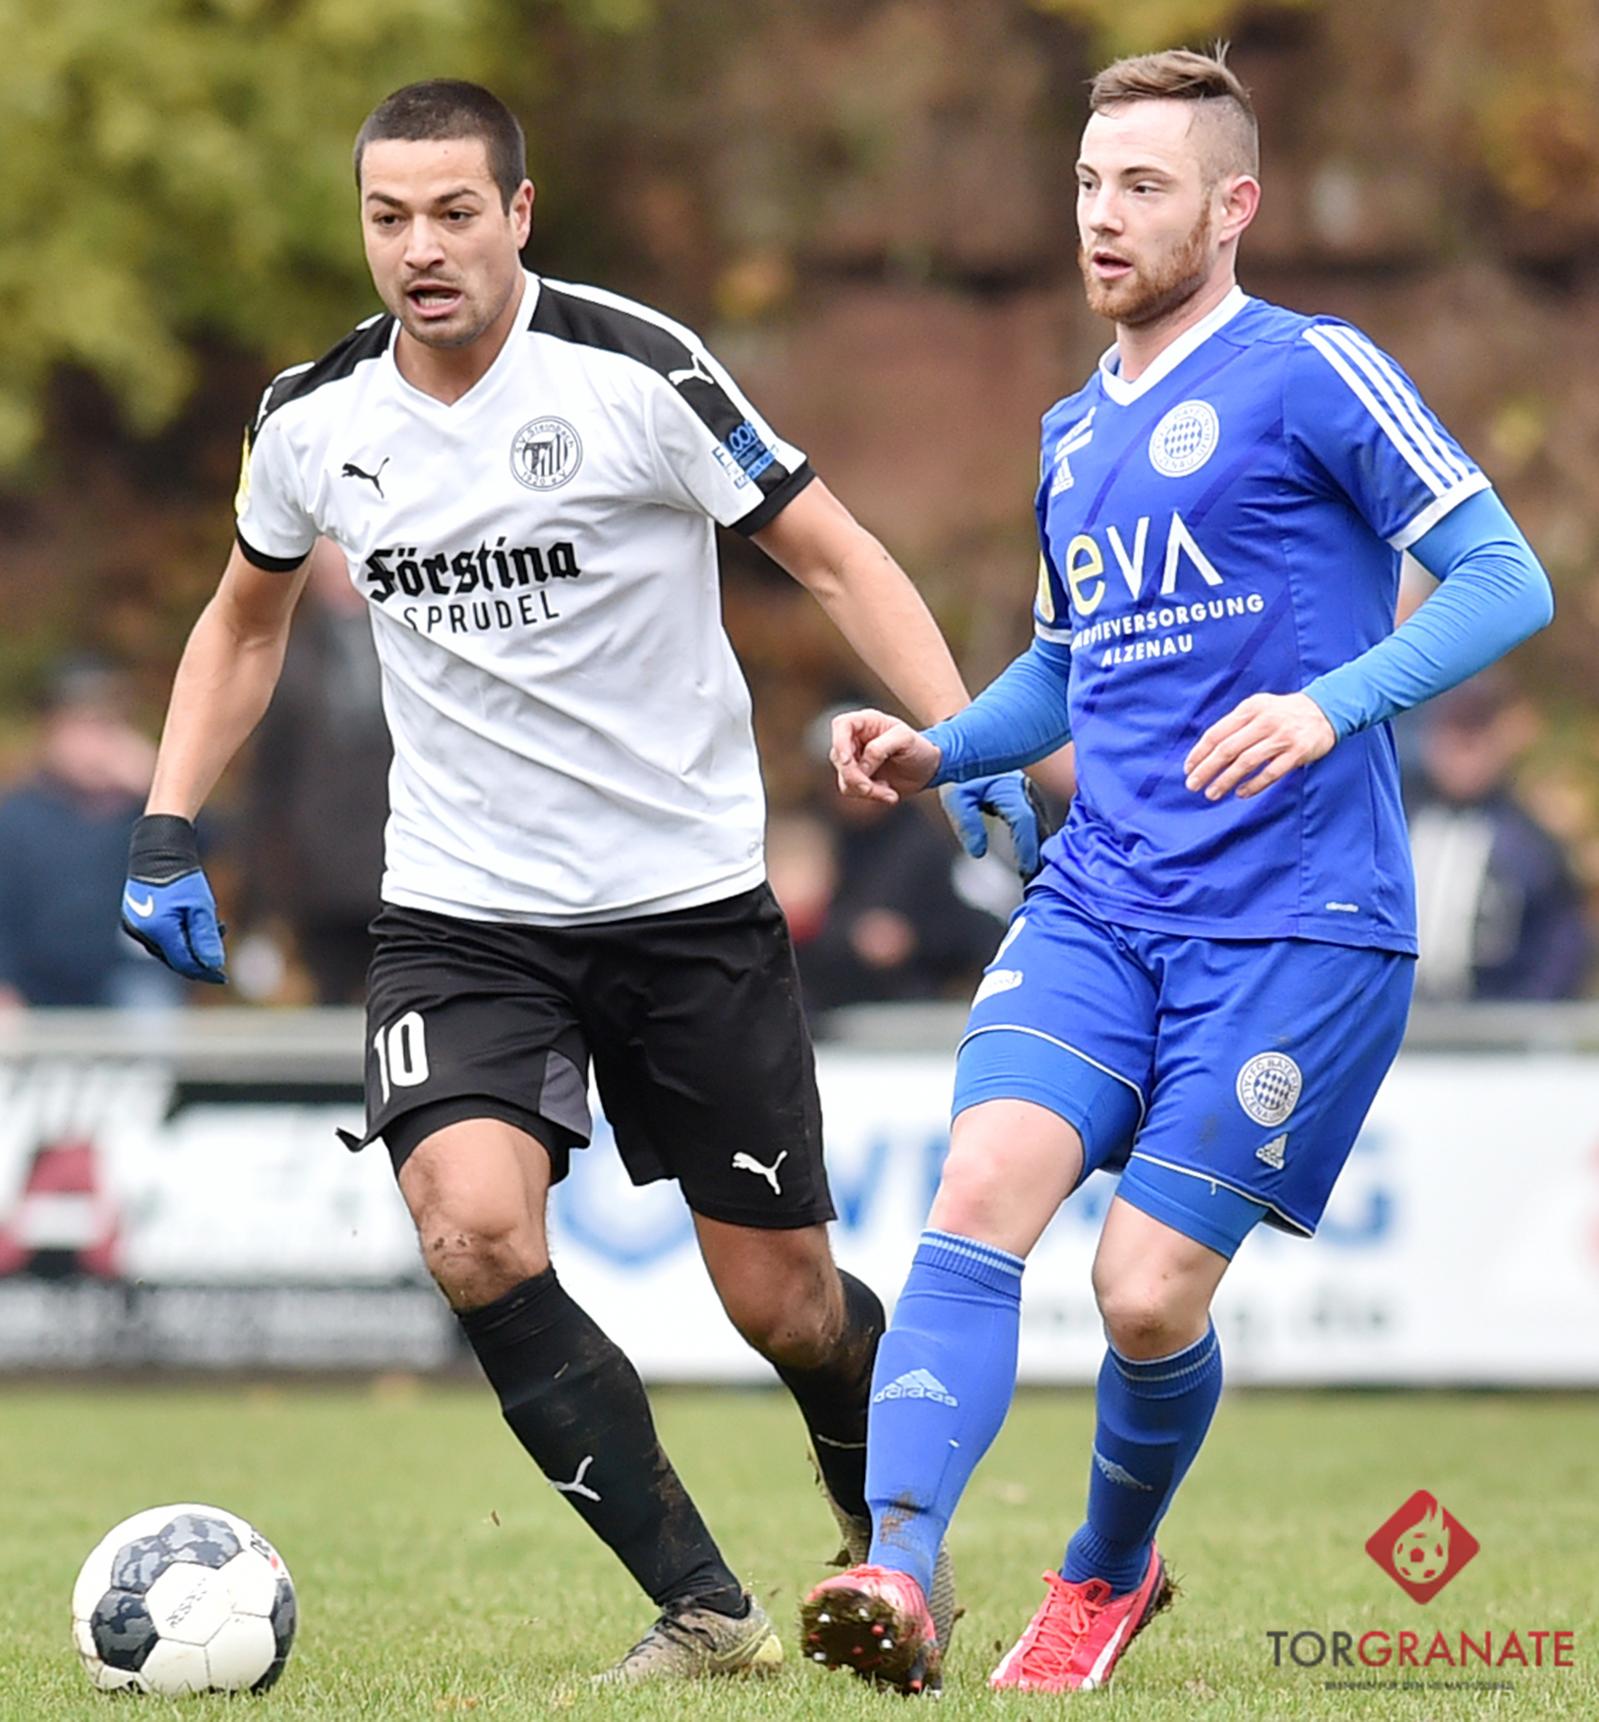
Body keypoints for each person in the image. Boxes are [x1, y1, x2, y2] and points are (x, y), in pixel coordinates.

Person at [116, 79, 1041, 1681]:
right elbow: (243, 622)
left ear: (518, 214)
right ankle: (704, 1607)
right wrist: (163, 818)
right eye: (388, 218)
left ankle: (887, 1535)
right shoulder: (313, 416)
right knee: (471, 1233)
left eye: (452, 213)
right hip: (461, 912)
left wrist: (962, 740)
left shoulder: (635, 370)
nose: (420, 248)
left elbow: (831, 551)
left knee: (782, 1302)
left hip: (685, 905)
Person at [800, 47, 1553, 1695]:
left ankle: (1102, 1571)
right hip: (1099, 899)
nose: (1101, 215)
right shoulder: (1071, 432)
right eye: (1086, 183)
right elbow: (1066, 670)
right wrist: (942, 746)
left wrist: (1325, 704)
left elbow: (1503, 579)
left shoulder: (1310, 370)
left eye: (1140, 185)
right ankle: (896, 1569)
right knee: (977, 1188)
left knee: (1139, 1296)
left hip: (1297, 921)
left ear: (1230, 206)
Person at [242, 538, 392, 1003]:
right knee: (329, 1010)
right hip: (321, 880)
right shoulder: (291, 655)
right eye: (327, 570)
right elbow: (268, 782)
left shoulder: (411, 646)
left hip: (404, 863)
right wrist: (263, 899)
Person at [0, 658, 184, 1011]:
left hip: (130, 976)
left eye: (103, 728)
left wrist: (162, 786)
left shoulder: (143, 810)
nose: (92, 744)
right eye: (79, 728)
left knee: (148, 1004)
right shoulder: (17, 816)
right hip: (35, 984)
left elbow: (210, 853)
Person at [1405, 672, 1590, 1000]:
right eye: (1452, 734)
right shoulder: (1400, 819)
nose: (1462, 753)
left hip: (1491, 1017)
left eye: (1476, 737)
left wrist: (1518, 1015)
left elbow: (1560, 945)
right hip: (1399, 1013)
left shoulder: (1530, 843)